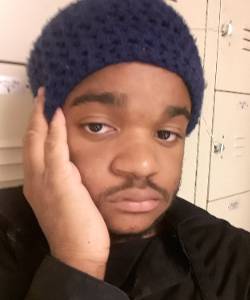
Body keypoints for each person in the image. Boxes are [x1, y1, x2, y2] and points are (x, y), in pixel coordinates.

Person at [0, 0, 249, 299]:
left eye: (166, 133)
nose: (142, 165)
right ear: (43, 128)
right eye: (98, 127)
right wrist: (78, 262)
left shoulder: (232, 262)